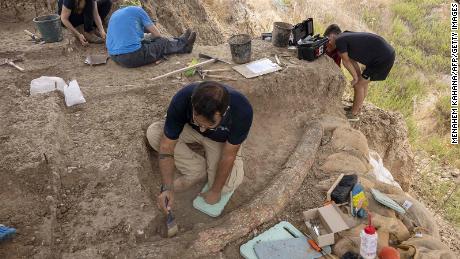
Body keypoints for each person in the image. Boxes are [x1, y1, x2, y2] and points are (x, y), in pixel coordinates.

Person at [146, 81, 253, 213]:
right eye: (197, 120)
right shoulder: (183, 98)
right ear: (193, 105)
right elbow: (167, 146)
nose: (202, 129)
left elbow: (229, 154)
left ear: (224, 113)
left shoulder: (242, 110)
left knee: (228, 185)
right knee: (154, 133)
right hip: (189, 131)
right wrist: (167, 188)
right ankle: (197, 169)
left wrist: (215, 191)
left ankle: (208, 168)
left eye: (209, 125)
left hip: (221, 141)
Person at [324, 24, 395, 121]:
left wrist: (356, 78)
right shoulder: (345, 36)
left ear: (331, 37)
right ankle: (357, 108)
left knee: (358, 85)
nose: (327, 47)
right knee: (362, 83)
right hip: (385, 54)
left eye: (327, 42)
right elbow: (352, 60)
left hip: (382, 58)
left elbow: (346, 61)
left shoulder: (339, 41)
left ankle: (353, 115)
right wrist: (357, 76)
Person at [106, 6, 196, 68]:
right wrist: (150, 36)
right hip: (131, 58)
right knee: (162, 42)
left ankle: (182, 40)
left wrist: (146, 38)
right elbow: (157, 35)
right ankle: (185, 47)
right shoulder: (139, 11)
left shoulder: (116, 13)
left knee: (147, 42)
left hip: (114, 56)